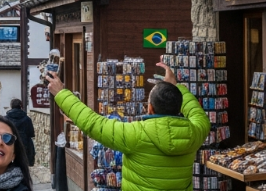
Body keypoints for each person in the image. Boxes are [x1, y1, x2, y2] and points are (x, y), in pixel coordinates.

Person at [46, 57, 210, 191]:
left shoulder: (136, 134)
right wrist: (175, 87)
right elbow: (197, 113)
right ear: (179, 106)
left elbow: (93, 123)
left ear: (150, 108)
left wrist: (61, 93)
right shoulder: (194, 133)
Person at [5, 99, 35, 166]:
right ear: (21, 106)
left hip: (10, 142)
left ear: (11, 106)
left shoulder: (6, 119)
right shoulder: (27, 119)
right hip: (24, 143)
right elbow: (31, 133)